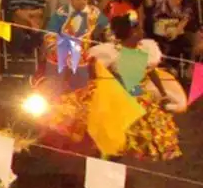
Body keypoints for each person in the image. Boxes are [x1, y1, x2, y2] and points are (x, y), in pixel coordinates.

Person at [43, 13, 182, 161]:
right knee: (112, 132)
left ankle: (112, 159)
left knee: (135, 134)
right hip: (117, 97)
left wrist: (163, 93)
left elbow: (151, 71)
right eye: (139, 28)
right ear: (132, 32)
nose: (142, 31)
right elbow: (98, 72)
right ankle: (104, 156)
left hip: (140, 97)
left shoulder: (147, 49)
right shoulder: (111, 52)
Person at [43, 0, 109, 91]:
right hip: (60, 54)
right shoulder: (61, 13)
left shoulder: (94, 12)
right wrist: (55, 47)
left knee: (81, 89)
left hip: (82, 56)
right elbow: (50, 34)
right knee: (53, 88)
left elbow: (108, 28)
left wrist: (112, 38)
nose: (82, 2)